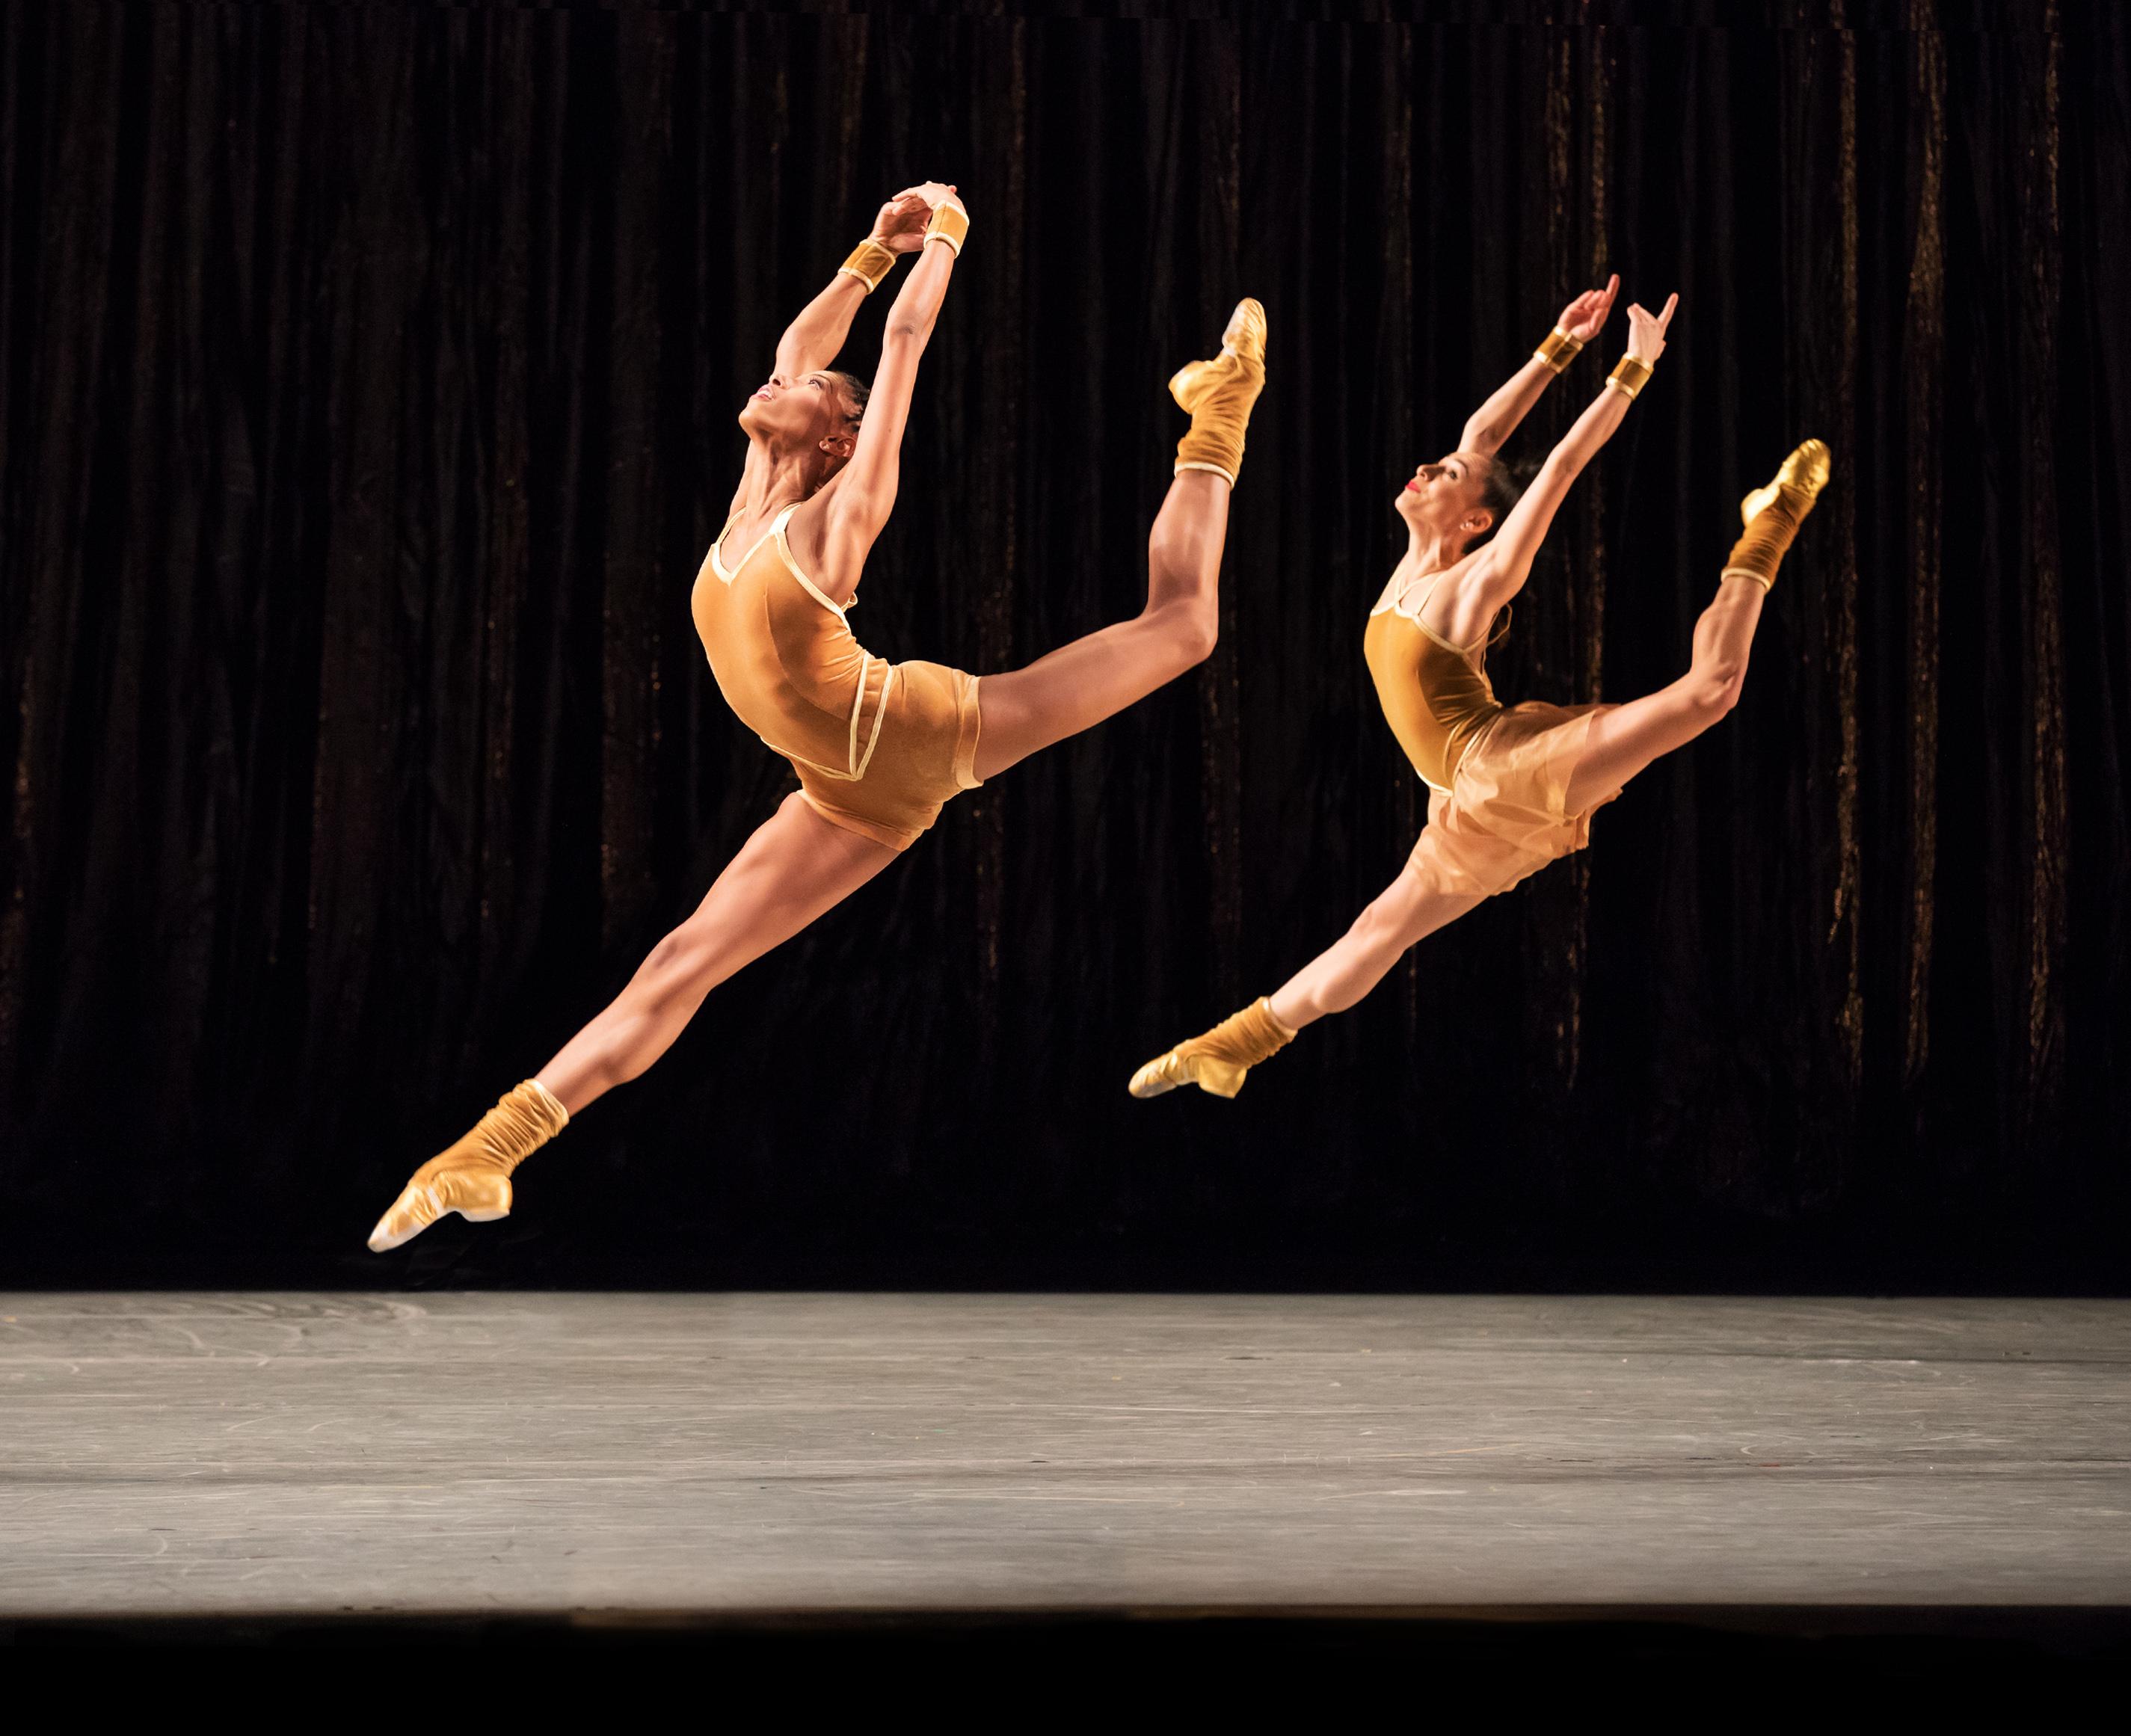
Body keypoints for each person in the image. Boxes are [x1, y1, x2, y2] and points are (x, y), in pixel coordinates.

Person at [369, 183, 1268, 1249]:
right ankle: (486, 1150)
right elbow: (808, 341)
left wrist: (945, 236)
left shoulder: (839, 514)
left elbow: (901, 343)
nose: (778, 380)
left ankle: (1221, 410)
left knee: (1184, 628)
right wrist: (865, 253)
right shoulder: (751, 492)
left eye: (815, 393)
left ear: (842, 434)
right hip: (841, 795)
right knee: (682, 960)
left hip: (918, 729)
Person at [1130, 282, 1830, 1098]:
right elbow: (1484, 435)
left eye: (1448, 475)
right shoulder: (1411, 565)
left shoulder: (1475, 585)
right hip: (1460, 801)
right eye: (1437, 465)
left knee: (1712, 690)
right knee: (1376, 935)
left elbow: (1560, 466)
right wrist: (1555, 348)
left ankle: (1770, 520)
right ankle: (1233, 1045)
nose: (1428, 466)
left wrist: (1632, 371)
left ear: (1474, 522)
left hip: (1504, 770)